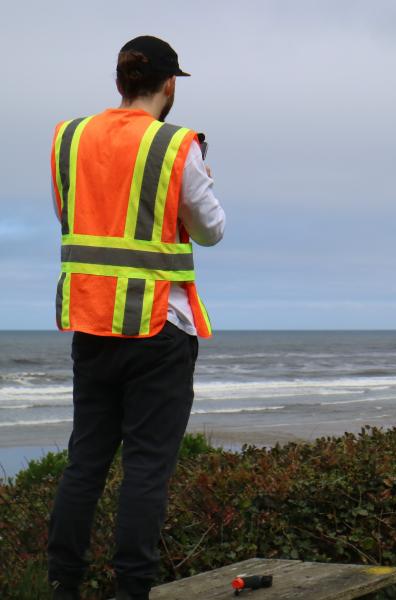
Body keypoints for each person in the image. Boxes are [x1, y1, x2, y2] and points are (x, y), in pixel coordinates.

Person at [47, 35, 225, 600]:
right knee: (146, 468)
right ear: (169, 85)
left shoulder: (68, 139)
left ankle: (63, 584)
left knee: (86, 463)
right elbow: (211, 230)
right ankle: (132, 590)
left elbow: (71, 215)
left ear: (120, 81)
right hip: (158, 327)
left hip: (91, 323)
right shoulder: (177, 146)